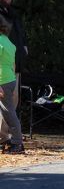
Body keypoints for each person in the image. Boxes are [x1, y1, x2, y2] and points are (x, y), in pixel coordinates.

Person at [0, 0, 28, 150]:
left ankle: (9, 137)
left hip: (12, 68)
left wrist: (24, 47)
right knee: (7, 107)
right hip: (4, 70)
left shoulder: (11, 12)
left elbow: (19, 33)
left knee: (10, 106)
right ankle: (6, 137)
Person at [0, 14, 25, 154]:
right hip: (9, 79)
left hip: (2, 80)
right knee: (6, 112)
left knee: (9, 113)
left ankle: (17, 143)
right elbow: (13, 65)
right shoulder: (9, 43)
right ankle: (10, 141)